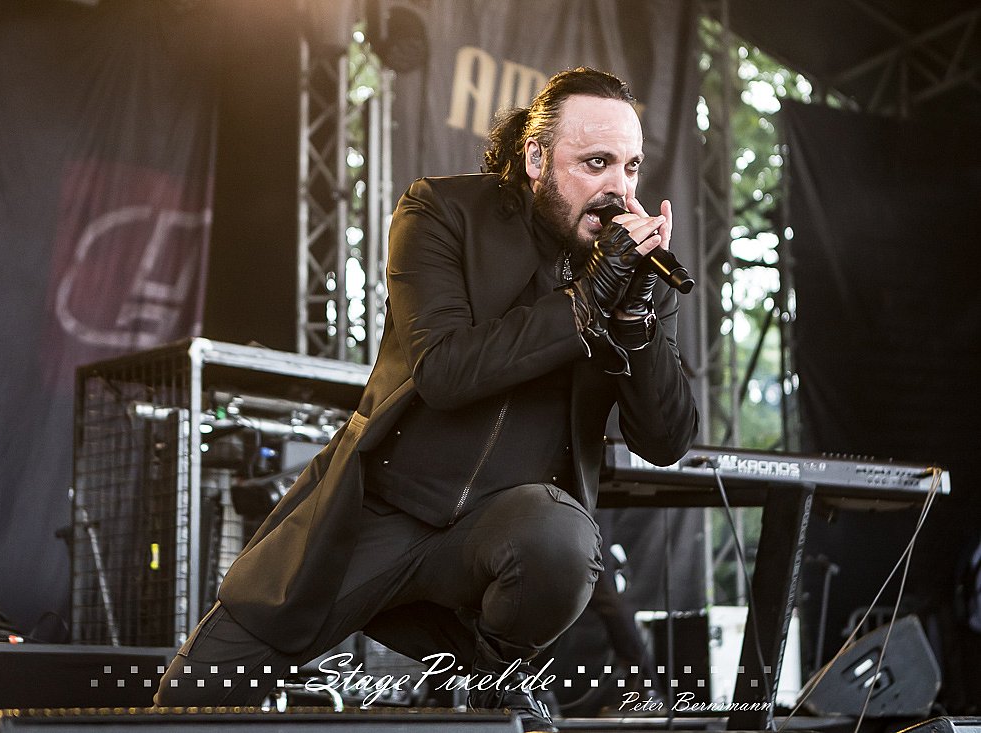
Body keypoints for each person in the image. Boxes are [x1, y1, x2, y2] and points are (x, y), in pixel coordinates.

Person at [154, 66, 698, 733]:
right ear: (535, 158)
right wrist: (584, 302)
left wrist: (637, 320)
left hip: (499, 536)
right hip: (378, 509)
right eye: (595, 163)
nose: (619, 188)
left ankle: (492, 678)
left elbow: (666, 439)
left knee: (562, 538)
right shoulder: (441, 211)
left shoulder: (634, 275)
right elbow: (443, 370)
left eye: (631, 166)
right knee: (188, 702)